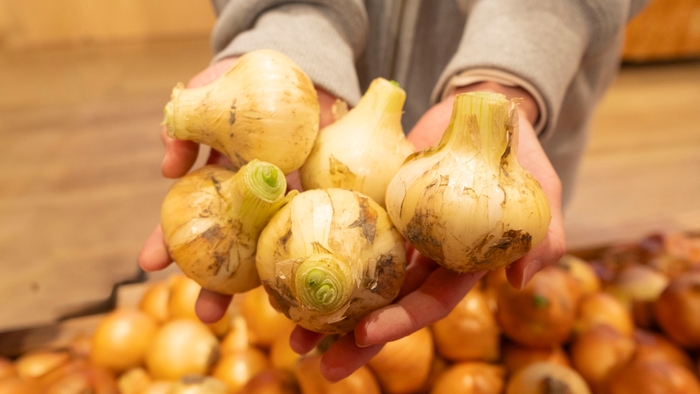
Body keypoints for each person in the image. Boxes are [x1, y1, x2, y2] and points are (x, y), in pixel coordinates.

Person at [139, 0, 649, 382]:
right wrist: (293, 25)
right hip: (336, 120)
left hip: (529, 77)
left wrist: (509, 68)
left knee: (503, 278)